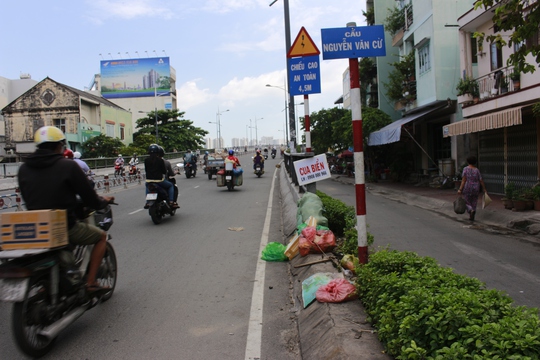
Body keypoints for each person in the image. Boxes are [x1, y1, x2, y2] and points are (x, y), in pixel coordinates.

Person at [18, 126, 114, 293]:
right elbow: (89, 197)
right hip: (62, 225)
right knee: (101, 237)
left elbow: (31, 198)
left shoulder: (23, 168)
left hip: (36, 227)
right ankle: (91, 283)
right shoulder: (67, 166)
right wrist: (102, 202)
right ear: (59, 146)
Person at [144, 144, 178, 209]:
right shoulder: (160, 160)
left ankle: (147, 202)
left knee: (147, 187)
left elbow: (146, 170)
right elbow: (164, 171)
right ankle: (171, 201)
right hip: (159, 181)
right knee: (171, 185)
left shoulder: (146, 160)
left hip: (149, 180)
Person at [457, 156, 486, 221]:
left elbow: (464, 180)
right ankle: (472, 214)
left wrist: (460, 189)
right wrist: (484, 188)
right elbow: (481, 180)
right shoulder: (477, 170)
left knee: (466, 201)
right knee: (474, 201)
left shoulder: (465, 169)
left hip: (468, 186)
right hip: (476, 187)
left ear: (468, 161)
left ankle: (470, 210)